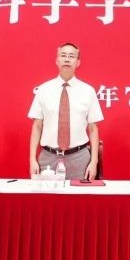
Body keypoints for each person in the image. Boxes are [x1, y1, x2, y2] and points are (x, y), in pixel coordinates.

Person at [28, 42, 103, 181]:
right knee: (46, 195)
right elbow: (37, 126)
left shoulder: (88, 91)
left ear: (78, 62)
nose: (67, 59)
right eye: (63, 55)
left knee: (79, 195)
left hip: (79, 158)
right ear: (57, 60)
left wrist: (94, 161)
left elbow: (93, 129)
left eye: (71, 56)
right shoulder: (43, 90)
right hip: (48, 158)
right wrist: (32, 159)